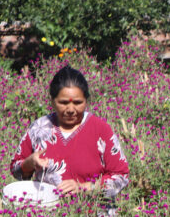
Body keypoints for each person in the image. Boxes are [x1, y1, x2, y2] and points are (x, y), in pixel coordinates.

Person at [10, 66, 129, 203]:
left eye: (78, 103)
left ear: (86, 101)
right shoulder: (39, 128)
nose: (71, 109)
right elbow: (16, 170)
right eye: (63, 103)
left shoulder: (100, 130)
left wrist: (84, 187)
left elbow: (121, 176)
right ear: (52, 101)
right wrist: (29, 163)